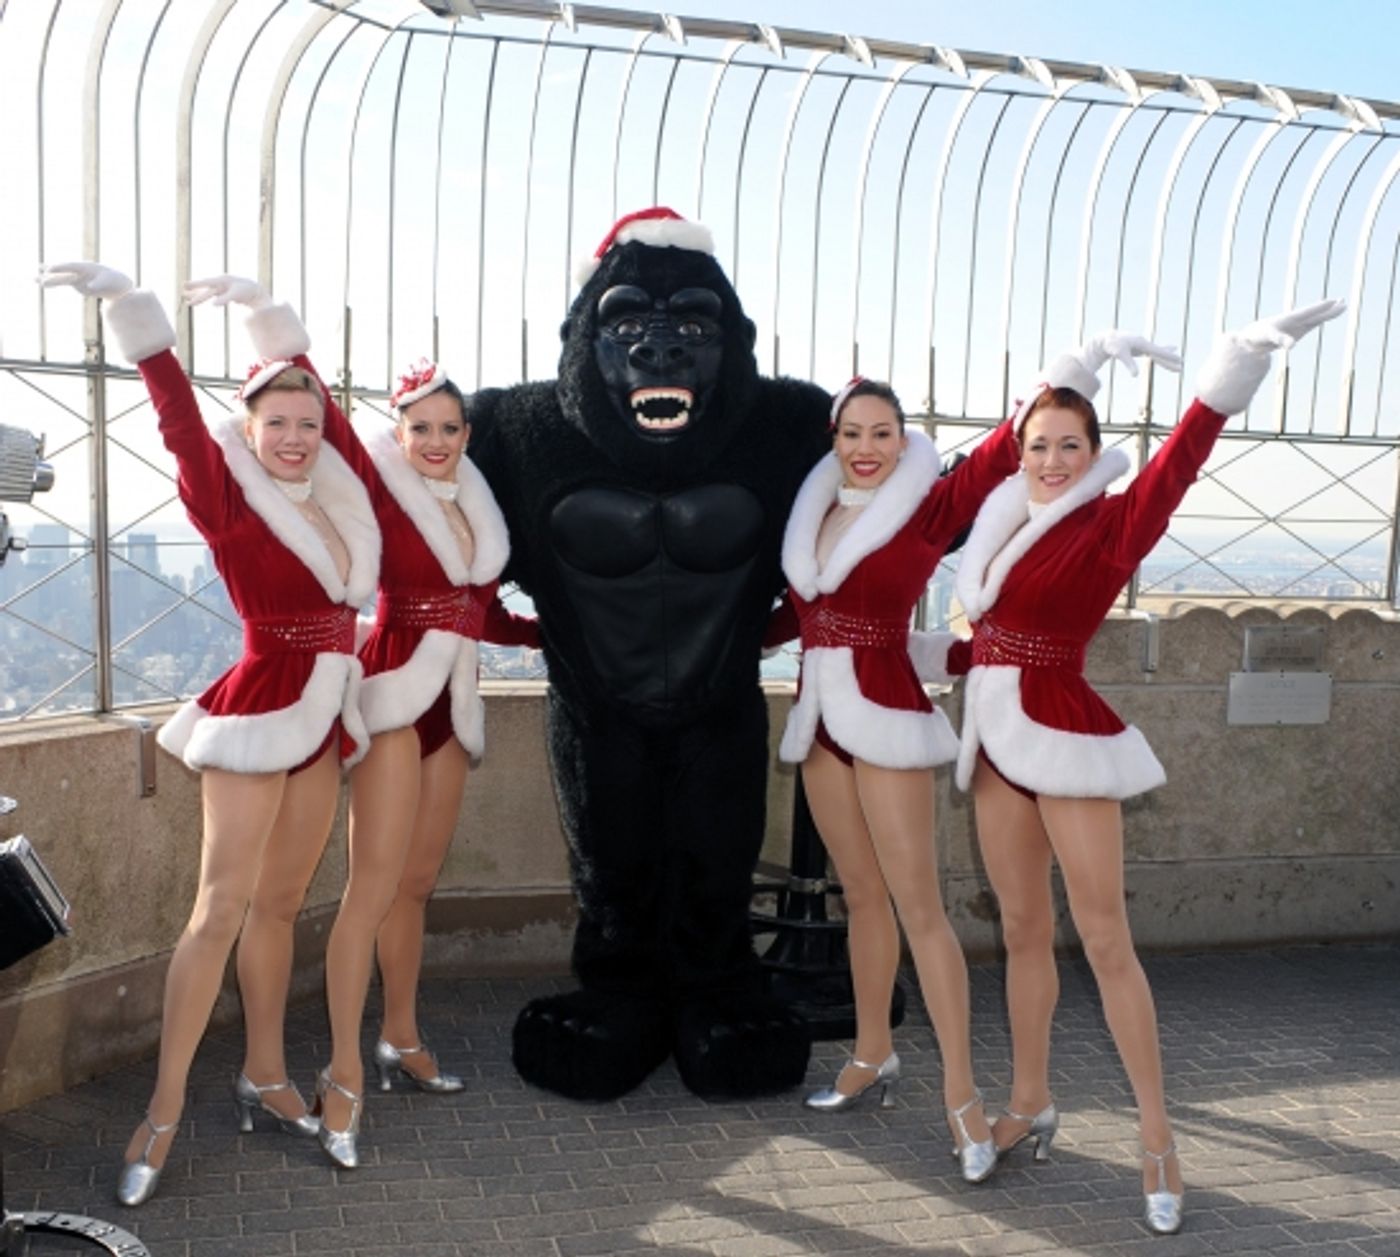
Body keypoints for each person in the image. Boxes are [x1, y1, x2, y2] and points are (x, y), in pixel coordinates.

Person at [944, 302, 1344, 1232]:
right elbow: (992, 640)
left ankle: (1158, 1136)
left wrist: (1220, 383)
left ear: (1093, 450)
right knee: (1022, 930)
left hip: (1069, 741)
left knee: (1108, 939)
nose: (1049, 459)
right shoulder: (999, 528)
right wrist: (929, 653)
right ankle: (1031, 1098)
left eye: (1068, 444)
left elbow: (1175, 470)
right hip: (995, 744)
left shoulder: (1112, 526)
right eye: (1036, 442)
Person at [38, 261, 380, 1205]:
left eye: (311, 423)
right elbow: (184, 427)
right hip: (259, 704)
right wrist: (138, 324)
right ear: (251, 428)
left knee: (281, 904)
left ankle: (266, 1074)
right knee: (218, 910)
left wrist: (275, 324)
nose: (298, 437)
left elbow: (328, 414)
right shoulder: (228, 501)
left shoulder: (342, 494)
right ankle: (161, 1107)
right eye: (278, 422)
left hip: (325, 713)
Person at [183, 276, 536, 1167]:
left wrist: (555, 635)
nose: (435, 442)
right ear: (396, 428)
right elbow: (319, 412)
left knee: (416, 883)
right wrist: (271, 322)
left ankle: (399, 1037)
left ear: (465, 435)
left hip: (453, 702)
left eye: (451, 429)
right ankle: (343, 1074)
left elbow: (477, 612)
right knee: (369, 889)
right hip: (384, 697)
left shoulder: (477, 505)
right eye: (420, 427)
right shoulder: (372, 483)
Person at [770, 377, 1021, 1183]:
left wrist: (1056, 392)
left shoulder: (922, 508)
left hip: (886, 717)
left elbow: (988, 467)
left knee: (920, 908)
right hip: (820, 724)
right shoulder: (809, 514)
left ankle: (962, 1096)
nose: (866, 446)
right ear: (834, 438)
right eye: (852, 433)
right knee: (861, 898)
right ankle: (872, 1053)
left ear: (905, 439)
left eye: (883, 432)